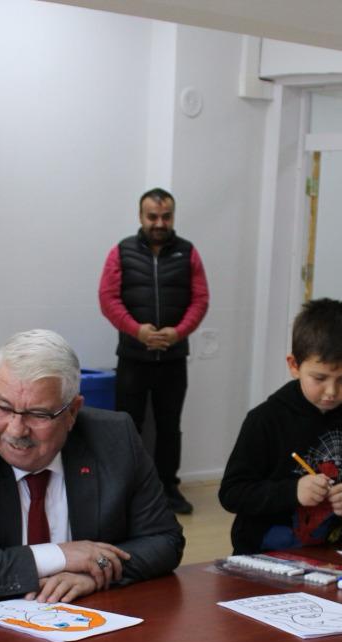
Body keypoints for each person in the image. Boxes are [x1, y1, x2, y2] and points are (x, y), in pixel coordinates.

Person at [0, 329, 185, 605]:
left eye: (37, 414)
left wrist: (96, 573)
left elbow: (165, 540)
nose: (16, 430)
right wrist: (60, 556)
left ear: (72, 412)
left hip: (80, 619)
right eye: (3, 408)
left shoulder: (115, 440)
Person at [218, 298, 342, 555]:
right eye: (319, 378)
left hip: (332, 555)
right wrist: (293, 492)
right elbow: (232, 493)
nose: (331, 391)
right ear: (294, 366)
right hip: (260, 557)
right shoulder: (266, 419)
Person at [97, 187, 209, 514]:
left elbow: (200, 299)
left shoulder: (188, 253)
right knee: (127, 426)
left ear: (173, 216)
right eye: (153, 216)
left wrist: (178, 333)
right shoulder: (121, 252)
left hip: (173, 358)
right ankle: (126, 491)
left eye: (166, 216)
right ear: (141, 216)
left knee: (169, 427)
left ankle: (168, 490)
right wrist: (137, 331)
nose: (160, 223)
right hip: (133, 357)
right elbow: (108, 298)